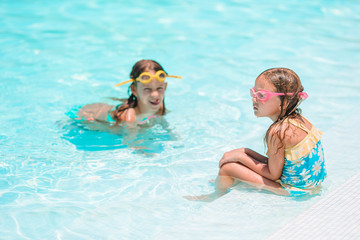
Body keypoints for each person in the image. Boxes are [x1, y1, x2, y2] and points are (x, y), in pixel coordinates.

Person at [187, 68, 326, 201]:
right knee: (240, 160)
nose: (254, 99)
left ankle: (214, 196)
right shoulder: (299, 121)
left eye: (261, 95)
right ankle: (230, 180)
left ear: (285, 102)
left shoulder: (277, 131)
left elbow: (273, 174)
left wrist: (241, 157)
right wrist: (245, 152)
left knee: (228, 168)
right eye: (254, 93)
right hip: (310, 185)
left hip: (295, 191)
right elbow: (282, 163)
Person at [76, 59, 181, 126]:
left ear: (165, 87)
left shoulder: (159, 105)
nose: (155, 95)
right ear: (134, 90)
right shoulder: (129, 118)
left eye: (159, 88)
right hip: (86, 114)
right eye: (147, 89)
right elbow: (131, 142)